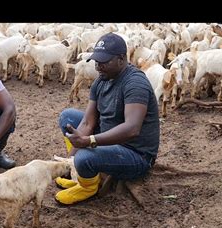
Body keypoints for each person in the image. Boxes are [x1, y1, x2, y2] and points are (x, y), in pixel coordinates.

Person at [55, 32, 160, 205]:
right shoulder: (102, 80)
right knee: (67, 118)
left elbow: (132, 128)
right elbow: (88, 122)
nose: (98, 67)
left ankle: (89, 187)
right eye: (97, 61)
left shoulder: (135, 84)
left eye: (104, 62)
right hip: (110, 140)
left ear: (121, 58)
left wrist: (89, 141)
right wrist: (69, 162)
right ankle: (80, 173)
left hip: (135, 154)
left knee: (85, 157)